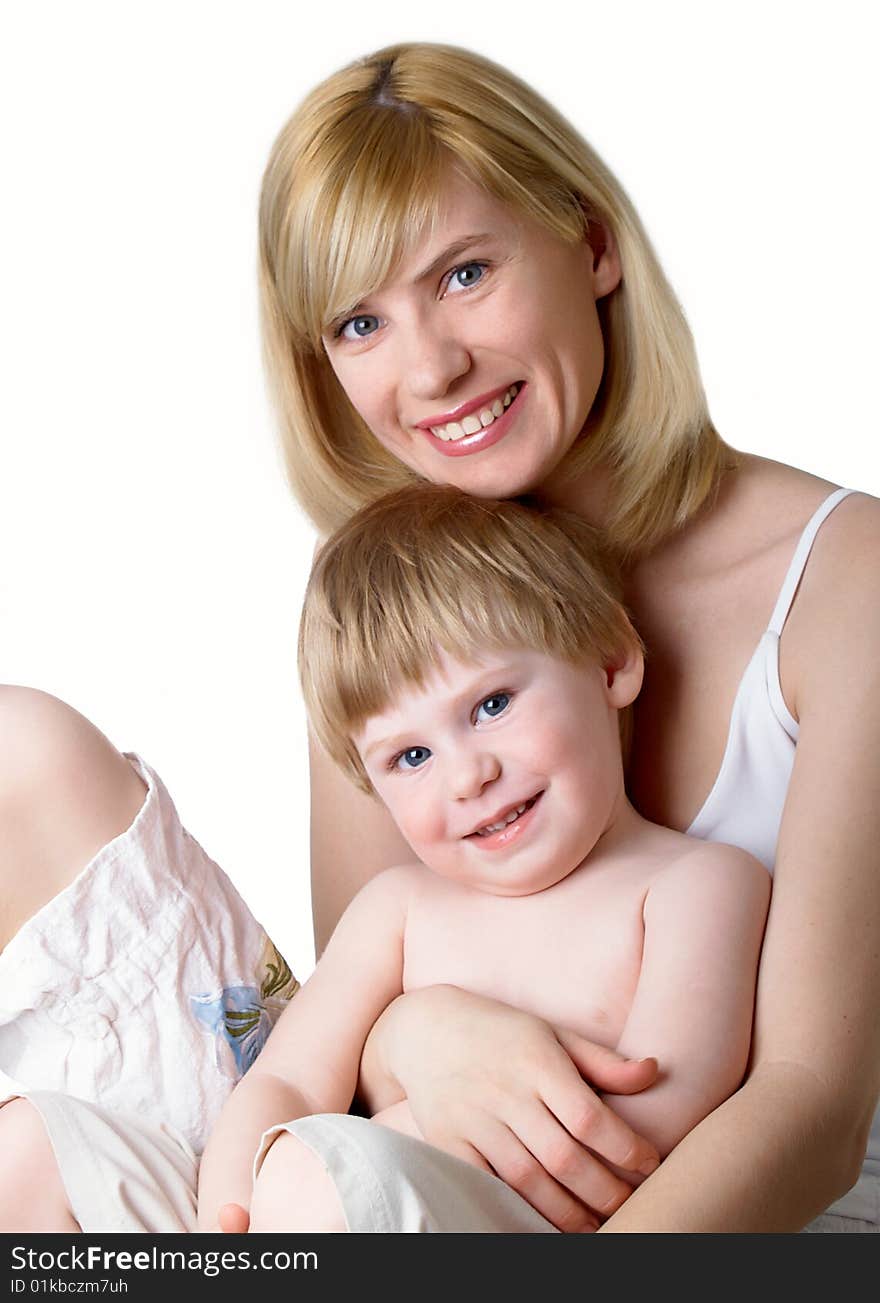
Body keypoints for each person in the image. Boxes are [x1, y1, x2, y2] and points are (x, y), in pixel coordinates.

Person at [1, 40, 877, 1233]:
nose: (431, 367)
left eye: (465, 274)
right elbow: (361, 1011)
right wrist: (428, 1033)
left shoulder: (848, 582)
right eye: (360, 323)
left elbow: (811, 1109)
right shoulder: (377, 604)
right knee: (21, 760)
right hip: (393, 1167)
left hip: (711, 1215)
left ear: (592, 242)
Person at [196, 485, 770, 1233]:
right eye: (410, 755)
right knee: (35, 1144)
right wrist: (230, 1216)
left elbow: (656, 1122)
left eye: (492, 704)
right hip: (321, 1214)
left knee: (314, 1175)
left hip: (535, 1224)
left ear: (610, 662)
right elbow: (287, 1083)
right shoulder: (397, 909)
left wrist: (386, 1135)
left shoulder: (696, 885)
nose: (468, 777)